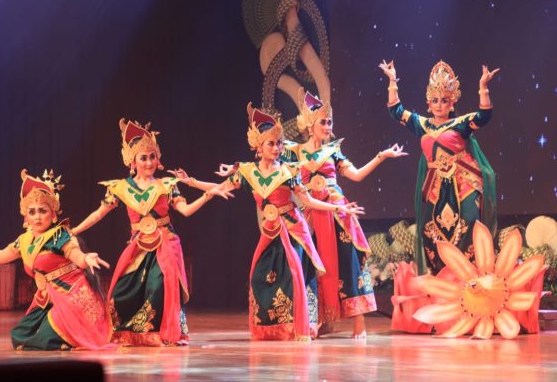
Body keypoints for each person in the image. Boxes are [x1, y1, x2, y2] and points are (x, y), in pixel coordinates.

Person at [177, 104, 364, 341]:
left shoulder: (289, 172)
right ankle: (271, 327)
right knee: (260, 277)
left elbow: (308, 200)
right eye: (271, 144)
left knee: (294, 276)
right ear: (259, 147)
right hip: (270, 230)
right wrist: (192, 182)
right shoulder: (248, 172)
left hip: (293, 230)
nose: (276, 148)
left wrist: (338, 207)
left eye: (278, 144)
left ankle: (302, 327)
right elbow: (221, 187)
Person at [71, 119, 229, 347]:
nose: (148, 162)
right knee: (121, 292)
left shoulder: (166, 185)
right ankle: (129, 332)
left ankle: (161, 333)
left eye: (152, 156)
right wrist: (74, 230)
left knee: (159, 286)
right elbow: (98, 214)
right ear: (133, 161)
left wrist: (207, 195)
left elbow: (185, 210)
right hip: (138, 245)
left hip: (165, 243)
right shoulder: (121, 187)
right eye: (143, 158)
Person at [282, 89, 407, 338]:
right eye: (323, 122)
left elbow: (357, 175)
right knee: (312, 267)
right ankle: (321, 320)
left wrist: (382, 156)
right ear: (310, 125)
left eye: (329, 122)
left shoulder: (334, 151)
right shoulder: (294, 153)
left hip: (338, 213)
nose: (327, 127)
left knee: (348, 264)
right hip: (311, 214)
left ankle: (359, 321)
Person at [0, 169, 111, 350]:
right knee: (20, 335)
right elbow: (0, 256)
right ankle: (61, 339)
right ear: (26, 217)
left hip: (70, 294)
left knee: (46, 335)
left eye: (42, 211)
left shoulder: (59, 235)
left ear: (53, 214)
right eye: (32, 212)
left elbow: (77, 257)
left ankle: (66, 340)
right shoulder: (24, 241)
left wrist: (86, 258)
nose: (37, 216)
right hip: (47, 297)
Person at [378, 59, 498, 275]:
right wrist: (392, 81)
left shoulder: (460, 123)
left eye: (444, 100)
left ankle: (470, 274)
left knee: (470, 222)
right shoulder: (422, 124)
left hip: (463, 183)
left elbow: (484, 116)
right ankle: (441, 276)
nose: (439, 105)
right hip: (435, 187)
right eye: (435, 100)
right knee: (429, 228)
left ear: (452, 103)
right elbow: (396, 111)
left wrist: (483, 87)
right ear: (428, 103)